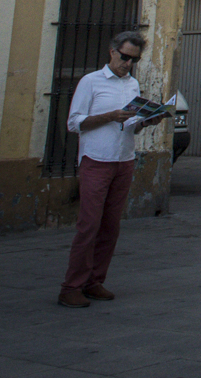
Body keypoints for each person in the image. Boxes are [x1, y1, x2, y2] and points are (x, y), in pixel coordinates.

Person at [57, 30, 167, 308]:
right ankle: (71, 286)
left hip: (123, 159)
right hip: (96, 159)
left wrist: (146, 121)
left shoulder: (132, 85)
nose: (128, 64)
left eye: (134, 60)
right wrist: (109, 116)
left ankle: (94, 281)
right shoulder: (90, 82)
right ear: (112, 52)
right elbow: (74, 123)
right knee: (88, 225)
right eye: (125, 57)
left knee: (110, 226)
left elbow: (129, 124)